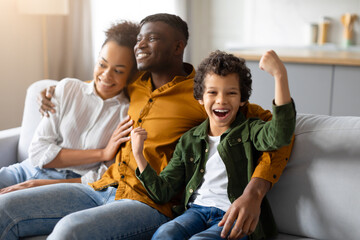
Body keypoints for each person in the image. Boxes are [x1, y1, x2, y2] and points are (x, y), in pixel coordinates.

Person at [0, 13, 293, 239]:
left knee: (69, 232)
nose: (139, 44)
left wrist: (254, 193)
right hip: (102, 185)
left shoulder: (205, 93)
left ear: (179, 46)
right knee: (5, 210)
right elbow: (101, 84)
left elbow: (280, 133)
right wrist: (54, 93)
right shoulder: (135, 85)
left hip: (149, 203)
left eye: (151, 39)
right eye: (139, 38)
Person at [131, 50, 296, 240]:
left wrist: (279, 75)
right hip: (195, 212)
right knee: (165, 233)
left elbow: (281, 134)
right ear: (200, 98)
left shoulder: (251, 130)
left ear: (242, 100)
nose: (221, 100)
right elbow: (163, 191)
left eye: (231, 93)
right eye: (212, 92)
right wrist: (139, 155)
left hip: (233, 215)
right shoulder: (189, 140)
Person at [0, 21, 139, 194]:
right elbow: (37, 152)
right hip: (25, 170)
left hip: (67, 185)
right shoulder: (67, 88)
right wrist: (102, 153)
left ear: (132, 74)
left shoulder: (126, 114)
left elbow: (104, 176)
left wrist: (39, 185)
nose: (106, 75)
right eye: (102, 64)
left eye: (118, 71)